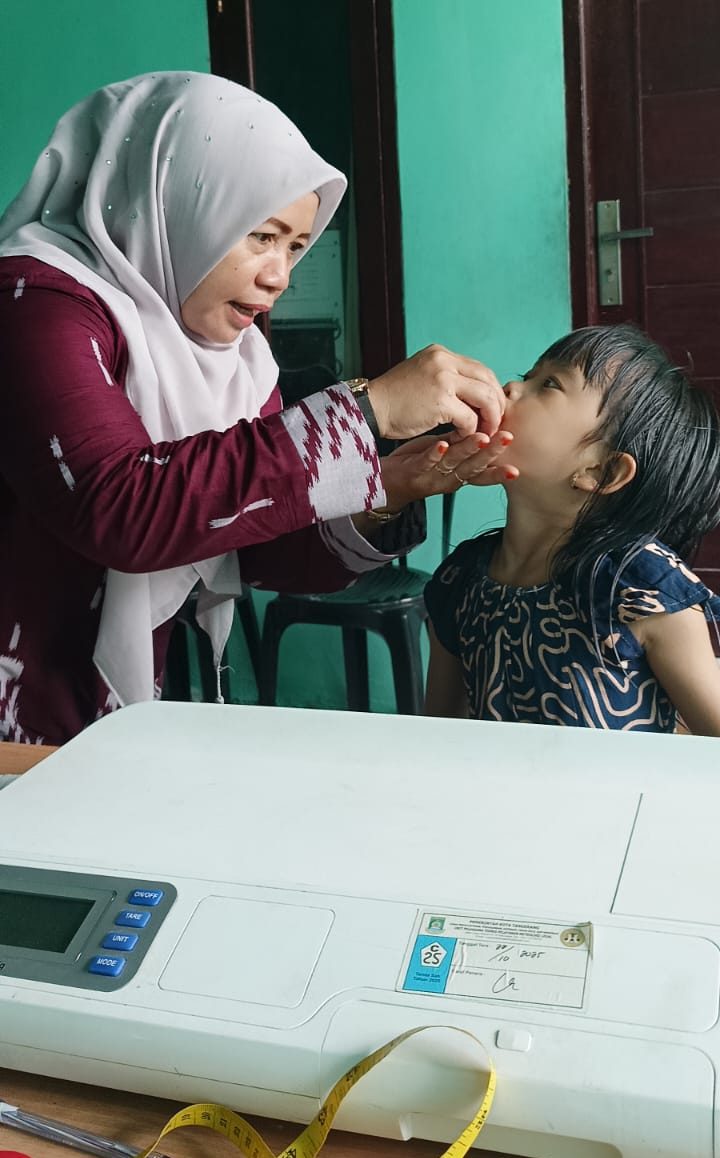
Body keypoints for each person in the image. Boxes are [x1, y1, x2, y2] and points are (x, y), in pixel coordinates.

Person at [0, 71, 512, 746]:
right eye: (261, 237)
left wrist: (386, 488)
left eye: (296, 246)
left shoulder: (235, 360)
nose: (279, 277)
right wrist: (367, 411)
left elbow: (250, 541)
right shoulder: (31, 302)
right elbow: (117, 504)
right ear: (178, 202)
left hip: (100, 725)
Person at [425, 323, 720, 734]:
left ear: (600, 471)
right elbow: (437, 736)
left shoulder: (642, 588)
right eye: (528, 375)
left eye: (549, 384)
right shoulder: (459, 581)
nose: (511, 387)